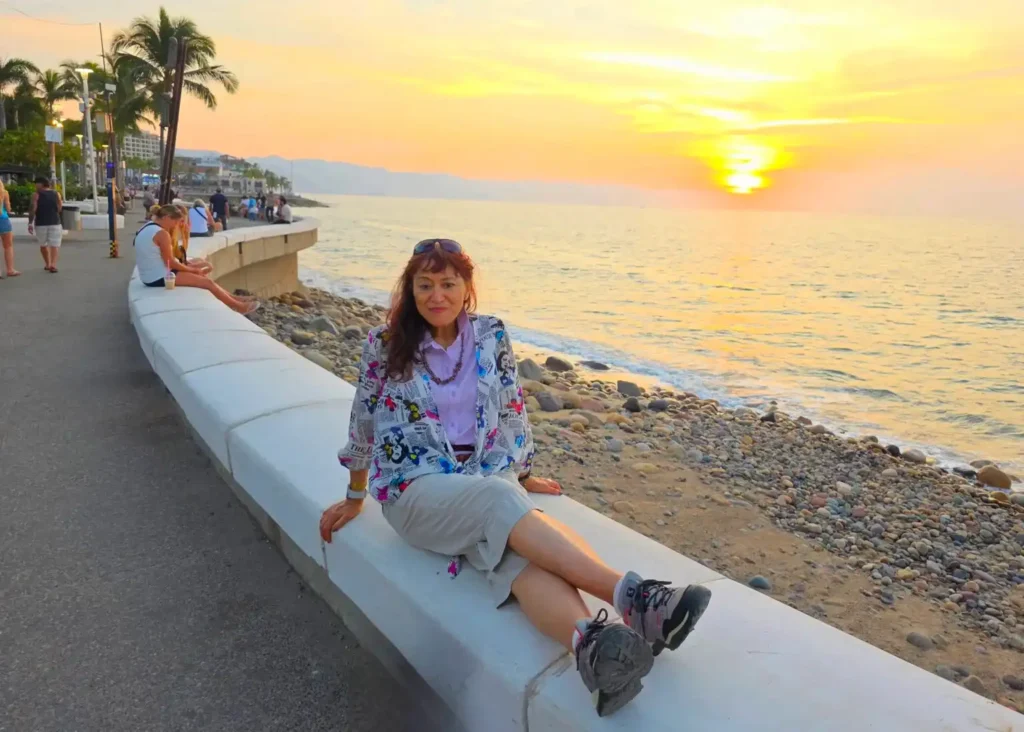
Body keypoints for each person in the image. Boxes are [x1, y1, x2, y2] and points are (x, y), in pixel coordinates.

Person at [321, 238, 712, 718]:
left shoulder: (489, 335)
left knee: (513, 552)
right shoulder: (385, 346)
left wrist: (522, 472)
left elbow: (510, 407)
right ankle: (633, 597)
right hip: (415, 489)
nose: (436, 295)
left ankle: (591, 646)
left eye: (448, 284)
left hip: (485, 476)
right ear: (411, 288)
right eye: (425, 285)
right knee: (498, 503)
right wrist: (356, 495)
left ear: (467, 288)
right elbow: (362, 421)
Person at [134, 204, 257, 313]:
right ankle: (239, 307)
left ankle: (236, 299)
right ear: (166, 217)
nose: (175, 225)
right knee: (206, 282)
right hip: (158, 277)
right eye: (175, 222)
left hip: (148, 275)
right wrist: (193, 270)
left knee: (202, 278)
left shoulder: (147, 227)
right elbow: (170, 262)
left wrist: (190, 269)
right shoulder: (162, 234)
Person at [28, 177, 63, 273]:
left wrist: (30, 223)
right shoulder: (56, 194)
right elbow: (59, 208)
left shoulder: (36, 195)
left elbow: (32, 209)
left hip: (41, 223)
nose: (35, 185)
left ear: (42, 184)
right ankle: (53, 264)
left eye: (36, 183)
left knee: (43, 245)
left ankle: (48, 264)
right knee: (54, 245)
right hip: (55, 222)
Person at [0, 180, 21, 278]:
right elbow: (8, 208)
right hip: (3, 219)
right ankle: (10, 269)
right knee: (8, 246)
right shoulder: (5, 193)